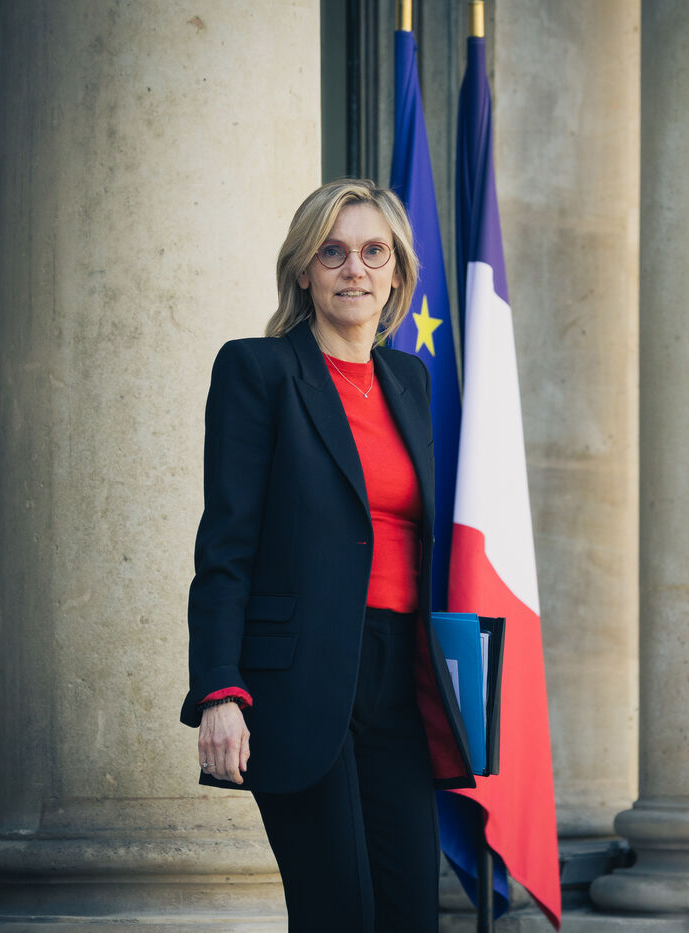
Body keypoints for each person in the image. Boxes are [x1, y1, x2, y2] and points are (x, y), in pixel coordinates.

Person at [179, 178, 474, 931]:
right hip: (299, 680)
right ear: (304, 270)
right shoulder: (258, 371)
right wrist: (218, 691)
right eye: (333, 252)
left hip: (400, 677)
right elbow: (227, 546)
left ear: (397, 275)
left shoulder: (409, 380)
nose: (355, 270)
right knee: (338, 912)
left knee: (411, 913)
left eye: (374, 253)